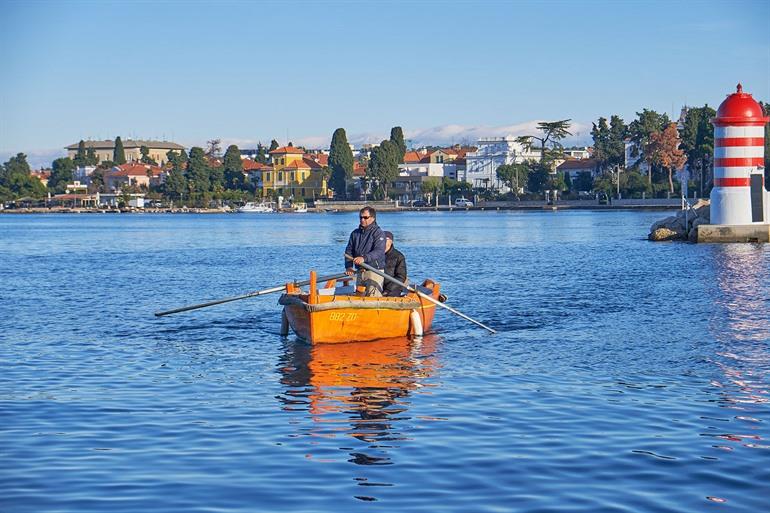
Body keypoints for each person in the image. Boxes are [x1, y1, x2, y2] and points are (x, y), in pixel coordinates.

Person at [344, 206, 386, 296]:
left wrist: (364, 258)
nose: (362, 219)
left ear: (373, 218)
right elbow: (349, 250)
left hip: (374, 271)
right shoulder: (355, 233)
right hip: (360, 271)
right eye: (360, 217)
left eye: (365, 217)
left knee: (373, 299)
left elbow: (379, 251)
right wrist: (349, 266)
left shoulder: (379, 233)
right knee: (359, 297)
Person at [383, 231, 407, 297]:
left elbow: (401, 277)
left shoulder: (399, 256)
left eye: (385, 240)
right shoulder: (375, 255)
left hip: (393, 289)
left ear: (391, 241)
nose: (383, 242)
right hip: (376, 285)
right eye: (381, 240)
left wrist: (388, 290)